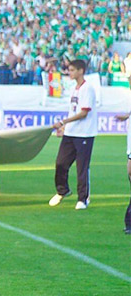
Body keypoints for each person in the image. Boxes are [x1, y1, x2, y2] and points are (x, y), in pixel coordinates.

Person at [49, 59, 98, 209]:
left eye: (71, 70)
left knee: (81, 167)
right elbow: (73, 110)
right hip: (71, 133)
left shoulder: (87, 88)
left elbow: (83, 113)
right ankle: (62, 190)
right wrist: (65, 128)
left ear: (80, 71)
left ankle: (82, 199)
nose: (69, 73)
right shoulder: (74, 88)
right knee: (61, 163)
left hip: (84, 134)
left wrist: (63, 122)